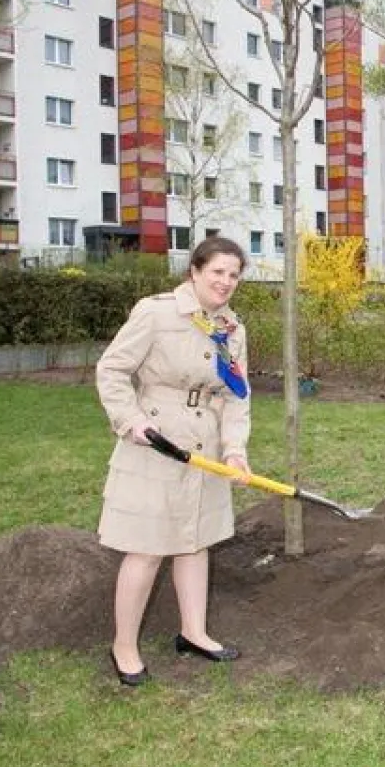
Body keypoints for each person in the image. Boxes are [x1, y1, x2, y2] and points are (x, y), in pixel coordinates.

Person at [95, 236, 252, 686]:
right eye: (218, 271)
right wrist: (131, 421)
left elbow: (236, 397)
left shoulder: (231, 330)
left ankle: (194, 632)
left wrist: (235, 449)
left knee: (195, 541)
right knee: (146, 548)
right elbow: (111, 370)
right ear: (195, 271)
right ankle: (124, 646)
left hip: (203, 447)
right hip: (156, 440)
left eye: (234, 275)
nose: (225, 282)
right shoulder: (157, 312)